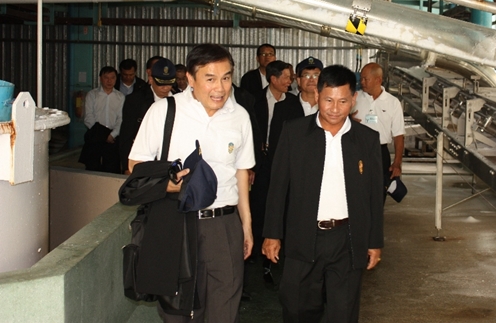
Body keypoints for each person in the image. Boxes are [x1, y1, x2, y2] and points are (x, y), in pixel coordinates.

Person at [128, 44, 254, 322]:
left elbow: (241, 172)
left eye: (226, 78)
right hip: (174, 222)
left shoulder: (240, 116)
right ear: (190, 79)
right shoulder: (163, 111)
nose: (220, 88)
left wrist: (246, 225)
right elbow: (135, 165)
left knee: (225, 307)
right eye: (210, 79)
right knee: (176, 311)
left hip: (224, 224)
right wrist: (169, 184)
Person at [262, 65, 384, 323]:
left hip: (347, 240)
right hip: (303, 236)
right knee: (298, 309)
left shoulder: (367, 139)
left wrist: (374, 241)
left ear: (353, 99)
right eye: (328, 100)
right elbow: (278, 187)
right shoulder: (294, 132)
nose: (335, 108)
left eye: (343, 101)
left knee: (344, 312)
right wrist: (272, 234)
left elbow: (374, 196)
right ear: (317, 95)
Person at [251, 60, 302, 283]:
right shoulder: (254, 100)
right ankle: (257, 252)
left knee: (281, 206)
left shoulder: (293, 103)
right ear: (273, 79)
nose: (290, 81)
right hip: (259, 164)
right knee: (259, 206)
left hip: (283, 164)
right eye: (286, 77)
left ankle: (277, 254)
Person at [351, 63, 405, 201]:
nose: (362, 82)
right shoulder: (354, 98)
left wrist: (397, 163)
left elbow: (398, 135)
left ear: (378, 80)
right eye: (361, 79)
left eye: (366, 79)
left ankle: (376, 215)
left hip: (380, 153)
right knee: (356, 192)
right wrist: (348, 120)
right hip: (357, 151)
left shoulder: (393, 103)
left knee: (379, 192)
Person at [119, 57, 176, 174]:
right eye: (161, 84)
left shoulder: (180, 100)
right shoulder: (135, 101)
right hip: (145, 162)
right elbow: (126, 135)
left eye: (169, 83)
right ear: (150, 79)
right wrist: (126, 166)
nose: (165, 88)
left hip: (173, 161)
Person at [78, 66, 125, 173]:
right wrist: (103, 135)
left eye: (112, 78)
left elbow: (121, 118)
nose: (109, 81)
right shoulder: (92, 95)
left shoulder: (120, 97)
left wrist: (112, 134)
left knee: (112, 169)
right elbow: (88, 117)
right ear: (100, 78)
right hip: (95, 136)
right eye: (106, 77)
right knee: (92, 168)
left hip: (113, 138)